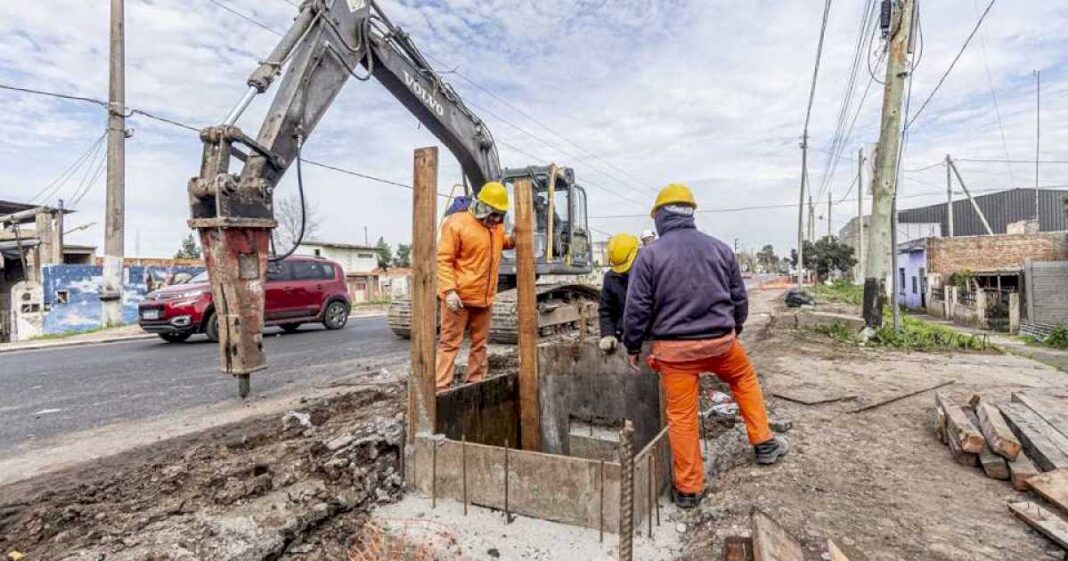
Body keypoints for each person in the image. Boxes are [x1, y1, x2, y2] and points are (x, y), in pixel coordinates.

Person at [622, 183, 788, 509]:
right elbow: (739, 298)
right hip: (721, 344)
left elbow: (637, 308)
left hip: (675, 353)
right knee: (743, 379)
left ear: (660, 217)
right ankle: (764, 443)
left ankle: (688, 490)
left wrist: (632, 345)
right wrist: (733, 330)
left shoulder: (649, 256)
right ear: (690, 213)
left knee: (682, 416)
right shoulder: (721, 249)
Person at [436, 181, 515, 391]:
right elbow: (444, 260)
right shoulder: (456, 223)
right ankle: (441, 387)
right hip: (458, 299)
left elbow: (499, 242)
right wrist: (449, 291)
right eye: (494, 214)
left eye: (500, 215)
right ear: (483, 208)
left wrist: (514, 240)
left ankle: (475, 383)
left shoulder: (495, 229)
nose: (497, 220)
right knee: (449, 344)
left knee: (480, 344)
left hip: (484, 298)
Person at [598, 233, 639, 353]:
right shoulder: (611, 278)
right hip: (623, 337)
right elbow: (606, 310)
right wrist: (608, 334)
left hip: (650, 338)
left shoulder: (650, 274)